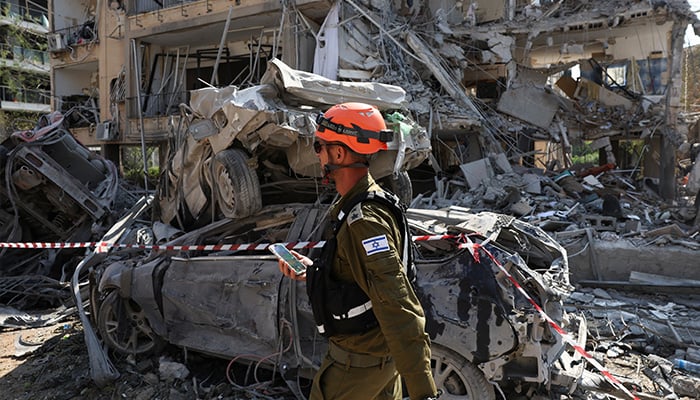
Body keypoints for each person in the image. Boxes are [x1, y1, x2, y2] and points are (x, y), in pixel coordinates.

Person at [278, 102, 439, 400]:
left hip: (355, 372)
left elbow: (397, 303)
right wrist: (312, 272)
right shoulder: (362, 203)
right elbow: (358, 278)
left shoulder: (364, 220)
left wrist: (422, 391)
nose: (318, 154)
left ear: (339, 153)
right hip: (378, 363)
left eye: (319, 146)